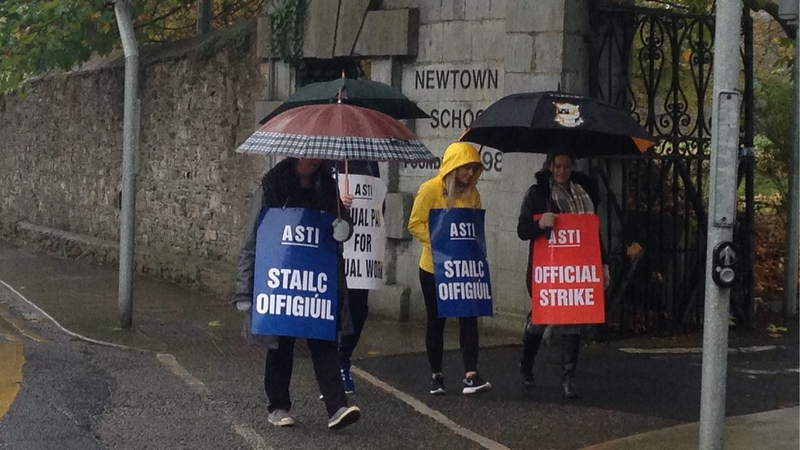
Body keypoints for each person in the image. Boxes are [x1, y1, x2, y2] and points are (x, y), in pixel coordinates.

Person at [231, 157, 361, 430]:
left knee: (324, 340)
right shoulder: (271, 188)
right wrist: (244, 289)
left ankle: (337, 408)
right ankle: (278, 406)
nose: (315, 158)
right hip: (281, 280)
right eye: (309, 153)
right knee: (281, 341)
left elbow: (341, 232)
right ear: (296, 154)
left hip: (316, 282)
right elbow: (252, 241)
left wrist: (343, 224)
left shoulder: (327, 186)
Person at [516, 146, 609, 399]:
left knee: (572, 320)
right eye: (556, 166)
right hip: (545, 270)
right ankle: (526, 365)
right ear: (549, 166)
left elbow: (592, 232)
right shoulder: (537, 194)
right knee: (539, 319)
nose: (561, 171)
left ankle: (569, 377)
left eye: (566, 166)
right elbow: (522, 230)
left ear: (572, 168)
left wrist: (603, 263)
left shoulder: (584, 194)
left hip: (575, 269)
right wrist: (539, 224)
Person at [408, 142, 492, 396]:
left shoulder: (473, 194)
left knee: (469, 317)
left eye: (473, 169)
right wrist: (438, 242)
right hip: (434, 268)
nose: (469, 174)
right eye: (466, 168)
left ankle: (471, 374)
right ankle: (437, 375)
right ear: (453, 166)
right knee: (437, 321)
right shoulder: (430, 189)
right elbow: (414, 223)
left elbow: (474, 228)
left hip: (463, 267)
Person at [328, 160, 382, 394]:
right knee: (335, 309)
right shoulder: (323, 160)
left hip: (361, 254)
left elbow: (379, 203)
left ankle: (344, 355)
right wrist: (337, 204)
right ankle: (333, 367)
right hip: (333, 250)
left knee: (359, 309)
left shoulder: (369, 162)